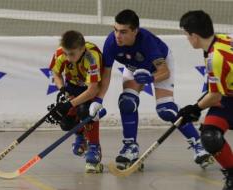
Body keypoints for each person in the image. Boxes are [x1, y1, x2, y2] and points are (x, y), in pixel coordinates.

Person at [89, 9, 211, 170]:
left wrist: (151, 78)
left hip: (158, 68)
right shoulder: (111, 42)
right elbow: (106, 74)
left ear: (135, 31)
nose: (118, 35)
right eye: (116, 30)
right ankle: (130, 147)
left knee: (166, 110)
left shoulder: (147, 41)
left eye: (123, 32)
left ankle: (198, 143)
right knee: (126, 102)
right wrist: (98, 100)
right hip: (134, 68)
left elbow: (164, 71)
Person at [178, 10, 233, 190]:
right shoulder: (221, 40)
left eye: (186, 35)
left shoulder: (214, 58)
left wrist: (194, 108)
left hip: (226, 96)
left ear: (194, 36)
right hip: (229, 96)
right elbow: (216, 90)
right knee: (210, 135)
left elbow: (215, 96)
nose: (187, 39)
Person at [46, 30, 103, 173]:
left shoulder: (92, 57)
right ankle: (80, 136)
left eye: (71, 54)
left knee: (86, 112)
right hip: (71, 86)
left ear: (82, 49)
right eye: (66, 53)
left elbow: (92, 90)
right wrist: (62, 91)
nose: (67, 57)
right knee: (66, 123)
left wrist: (70, 104)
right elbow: (56, 74)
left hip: (90, 88)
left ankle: (94, 147)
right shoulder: (61, 53)